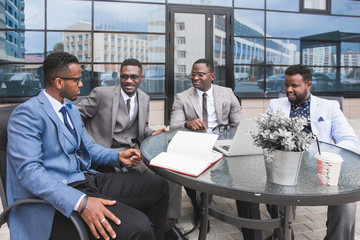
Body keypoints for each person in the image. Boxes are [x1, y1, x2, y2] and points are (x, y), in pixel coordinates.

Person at [6, 52, 169, 240]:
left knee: (159, 186)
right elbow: (30, 172)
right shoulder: (27, 114)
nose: (81, 84)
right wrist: (81, 202)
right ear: (59, 82)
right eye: (76, 80)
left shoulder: (70, 111)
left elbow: (89, 148)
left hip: (84, 179)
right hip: (58, 196)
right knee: (139, 226)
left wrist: (118, 156)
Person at [77, 58, 184, 239]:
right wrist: (90, 143)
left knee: (171, 173)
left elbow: (141, 129)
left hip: (134, 151)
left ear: (141, 78)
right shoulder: (102, 94)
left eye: (133, 77)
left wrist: (151, 133)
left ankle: (167, 223)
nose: (128, 81)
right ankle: (150, 217)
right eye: (124, 76)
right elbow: (75, 115)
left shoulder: (144, 98)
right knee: (152, 182)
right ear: (120, 76)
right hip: (107, 153)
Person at [265, 64, 360, 240]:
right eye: (286, 85)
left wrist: (329, 157)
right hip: (289, 164)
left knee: (347, 202)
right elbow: (265, 136)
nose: (288, 90)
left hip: (322, 164)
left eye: (294, 85)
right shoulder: (275, 105)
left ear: (308, 85)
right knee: (273, 188)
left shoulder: (329, 107)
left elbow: (351, 141)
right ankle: (285, 232)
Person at [170, 59, 259, 239]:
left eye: (200, 74)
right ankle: (200, 210)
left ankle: (252, 231)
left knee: (245, 182)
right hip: (196, 146)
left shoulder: (227, 93)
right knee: (191, 179)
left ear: (212, 76)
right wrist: (187, 123)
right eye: (193, 74)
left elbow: (239, 124)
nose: (195, 78)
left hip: (223, 145)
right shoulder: (182, 97)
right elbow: (173, 126)